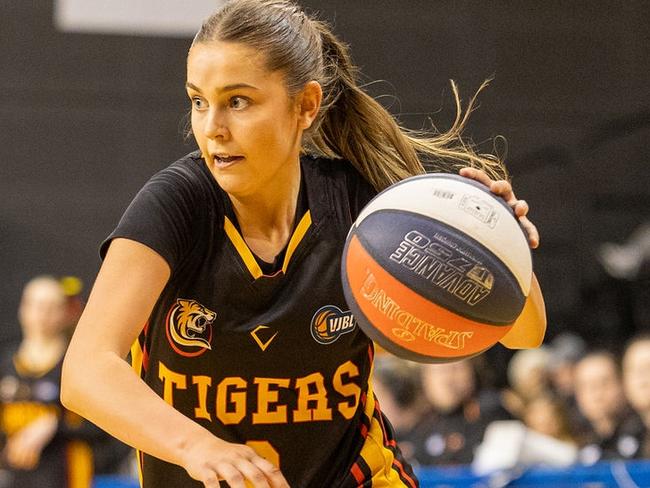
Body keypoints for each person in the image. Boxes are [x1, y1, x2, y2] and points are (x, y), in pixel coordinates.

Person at [60, 1, 541, 487]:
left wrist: (502, 247)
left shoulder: (366, 207)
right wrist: (198, 447)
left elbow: (523, 334)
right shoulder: (175, 205)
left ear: (306, 105)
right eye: (198, 101)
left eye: (238, 101)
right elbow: (84, 371)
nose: (211, 127)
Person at [0, 276, 96, 487]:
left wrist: (54, 426)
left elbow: (103, 427)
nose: (41, 314)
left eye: (50, 306)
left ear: (65, 312)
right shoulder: (6, 362)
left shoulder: (78, 362)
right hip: (16, 477)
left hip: (65, 477)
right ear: (22, 308)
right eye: (34, 305)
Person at [411, 358, 512, 466]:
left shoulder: (492, 411)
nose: (448, 379)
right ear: (424, 379)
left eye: (455, 369)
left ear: (472, 372)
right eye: (440, 371)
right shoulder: (419, 423)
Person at [573, 350, 640, 464]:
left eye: (604, 383)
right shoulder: (574, 444)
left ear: (622, 383)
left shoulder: (644, 435)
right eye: (587, 386)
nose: (597, 394)